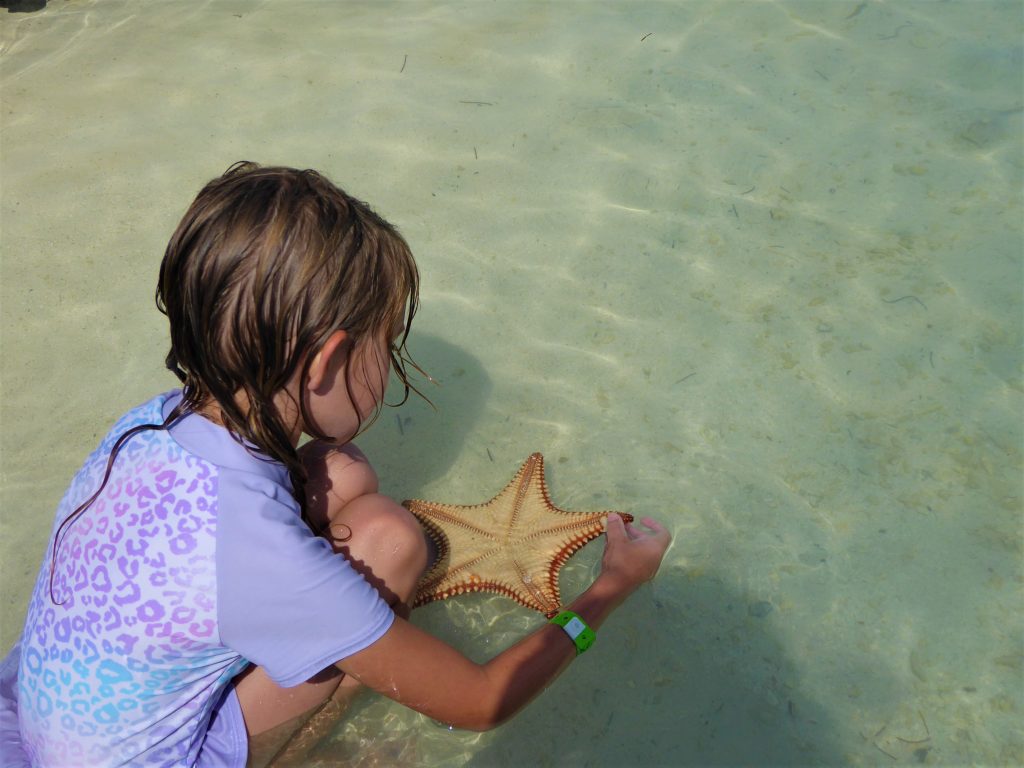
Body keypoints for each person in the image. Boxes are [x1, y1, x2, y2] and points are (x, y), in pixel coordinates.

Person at [0, 162, 672, 768]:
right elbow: (480, 701)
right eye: (388, 346)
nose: (391, 370)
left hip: (36, 724)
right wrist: (607, 592)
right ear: (328, 360)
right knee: (394, 540)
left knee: (341, 476)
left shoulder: (152, 420)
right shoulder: (263, 559)